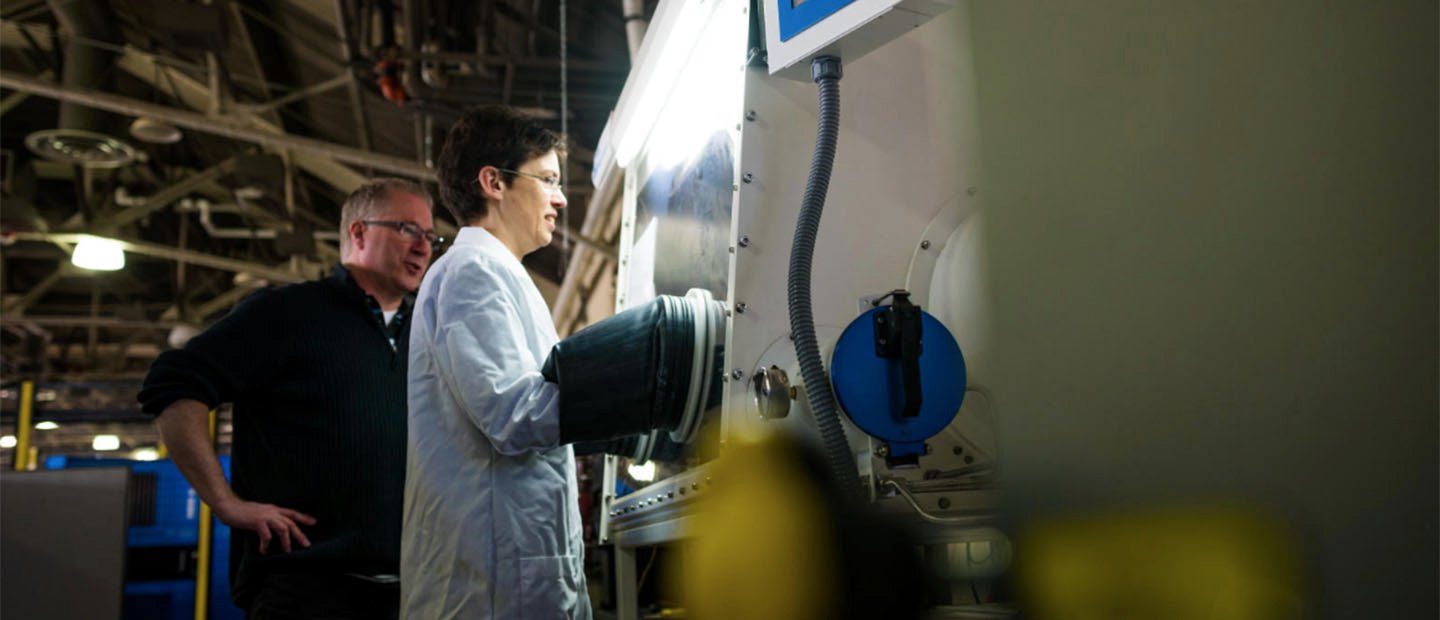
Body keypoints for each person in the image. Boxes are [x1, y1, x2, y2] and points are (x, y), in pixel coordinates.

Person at [138, 178, 439, 619]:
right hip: (306, 591)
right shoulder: (287, 314)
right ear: (358, 232)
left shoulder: (428, 333)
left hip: (412, 593)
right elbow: (173, 385)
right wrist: (225, 502)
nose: (423, 247)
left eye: (431, 237)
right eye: (408, 230)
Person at [401, 106, 589, 618]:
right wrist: (623, 382)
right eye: (548, 179)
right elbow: (514, 415)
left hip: (511, 570)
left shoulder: (497, 274)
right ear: (494, 182)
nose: (561, 198)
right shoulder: (472, 273)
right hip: (492, 582)